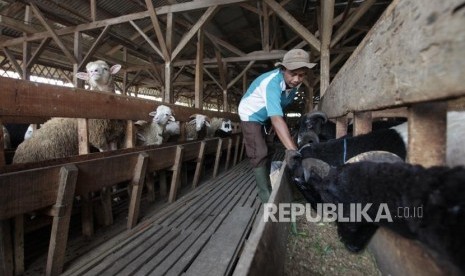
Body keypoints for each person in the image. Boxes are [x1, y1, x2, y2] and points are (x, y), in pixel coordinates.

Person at [238, 49, 316, 203]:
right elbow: (276, 117)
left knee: (270, 147)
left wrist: (276, 120)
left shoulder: (294, 86)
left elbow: (280, 108)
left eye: (301, 75)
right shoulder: (272, 83)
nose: (296, 79)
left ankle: (268, 178)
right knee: (259, 151)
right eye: (292, 74)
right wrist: (294, 151)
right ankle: (264, 193)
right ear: (283, 69)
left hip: (266, 115)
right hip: (250, 114)